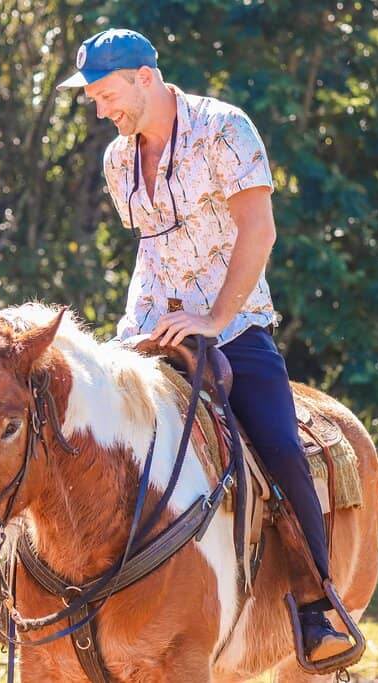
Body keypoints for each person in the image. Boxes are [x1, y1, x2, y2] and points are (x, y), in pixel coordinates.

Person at [58, 29, 353, 663]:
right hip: (150, 328)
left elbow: (259, 230)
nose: (101, 109)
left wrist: (213, 318)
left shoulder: (225, 129)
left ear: (144, 77)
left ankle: (316, 604)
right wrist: (132, 331)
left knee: (278, 446)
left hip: (235, 325)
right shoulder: (119, 160)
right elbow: (150, 249)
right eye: (94, 99)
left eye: (106, 94)